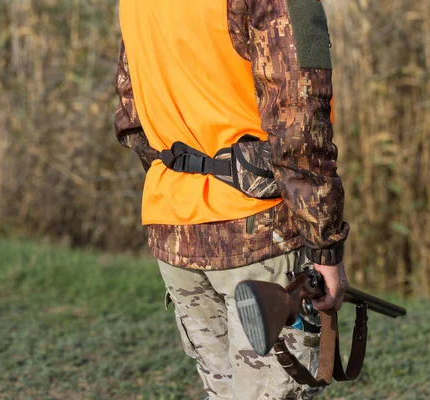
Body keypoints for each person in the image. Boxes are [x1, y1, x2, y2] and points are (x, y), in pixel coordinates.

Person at [114, 1, 350, 398]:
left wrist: (179, 181)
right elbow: (300, 126)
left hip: (173, 223)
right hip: (262, 237)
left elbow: (130, 112)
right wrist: (326, 247)